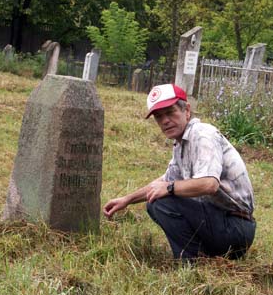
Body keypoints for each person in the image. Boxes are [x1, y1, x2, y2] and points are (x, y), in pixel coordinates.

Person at [103, 83, 256, 260]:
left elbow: (209, 184)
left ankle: (193, 260)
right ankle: (201, 257)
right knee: (158, 197)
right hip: (221, 223)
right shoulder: (182, 143)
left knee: (160, 203)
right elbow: (163, 181)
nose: (165, 121)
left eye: (170, 112)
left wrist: (169, 188)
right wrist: (127, 199)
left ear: (187, 110)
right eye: (159, 117)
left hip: (235, 228)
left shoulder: (202, 135)